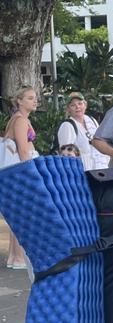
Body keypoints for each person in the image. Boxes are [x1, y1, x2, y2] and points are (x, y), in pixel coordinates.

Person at [3, 86, 40, 270]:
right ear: (19, 101)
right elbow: (23, 150)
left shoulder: (20, 119)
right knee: (22, 215)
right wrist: (31, 174)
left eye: (35, 97)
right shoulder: (20, 121)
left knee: (18, 214)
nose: (35, 101)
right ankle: (18, 258)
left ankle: (14, 257)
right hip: (20, 172)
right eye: (30, 98)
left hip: (16, 171)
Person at [57, 92, 110, 170]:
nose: (77, 107)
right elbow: (65, 155)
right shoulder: (67, 126)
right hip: (82, 173)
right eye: (73, 105)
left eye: (80, 103)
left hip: (101, 171)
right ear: (68, 109)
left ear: (85, 105)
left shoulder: (92, 121)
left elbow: (101, 142)